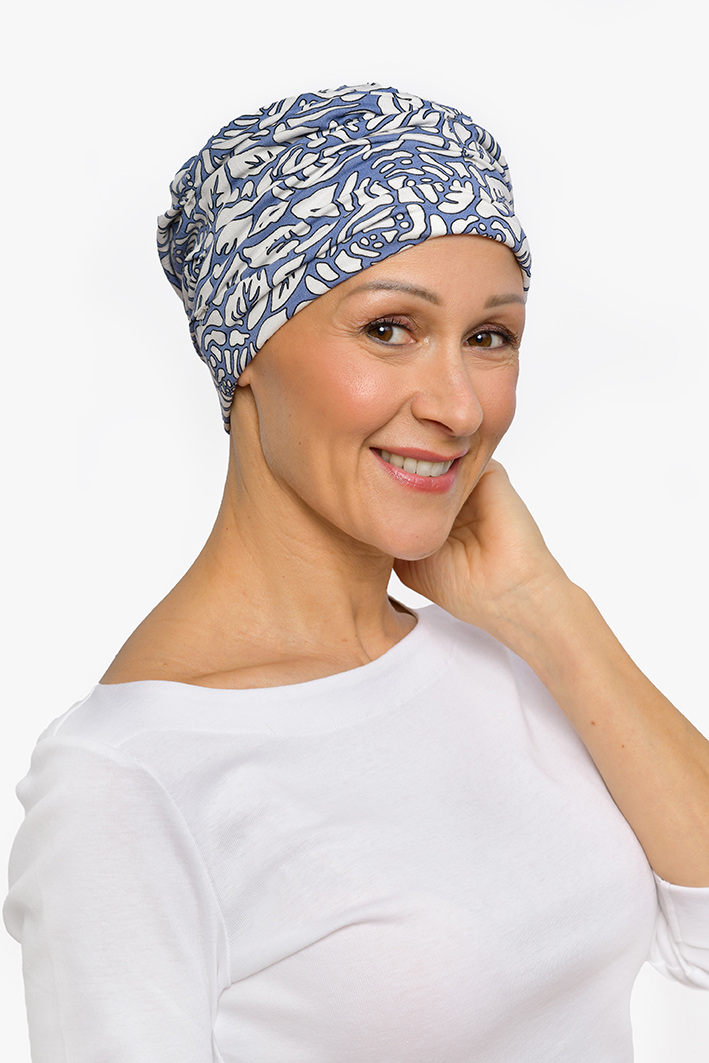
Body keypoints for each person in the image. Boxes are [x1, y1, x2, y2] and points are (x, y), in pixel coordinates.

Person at [4, 84, 709, 1063]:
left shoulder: (497, 660)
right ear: (247, 348)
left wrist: (543, 607)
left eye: (489, 337)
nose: (459, 407)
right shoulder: (130, 782)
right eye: (389, 329)